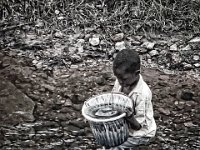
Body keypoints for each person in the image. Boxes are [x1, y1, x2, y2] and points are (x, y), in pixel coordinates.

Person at [111, 49, 157, 149]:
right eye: (117, 77)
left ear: (136, 73)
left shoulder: (142, 94)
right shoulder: (121, 81)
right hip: (125, 126)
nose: (119, 82)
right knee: (106, 140)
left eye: (123, 79)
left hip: (141, 133)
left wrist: (130, 116)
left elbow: (138, 126)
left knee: (114, 147)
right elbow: (113, 98)